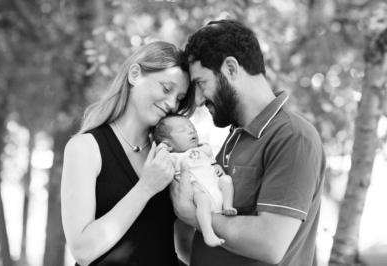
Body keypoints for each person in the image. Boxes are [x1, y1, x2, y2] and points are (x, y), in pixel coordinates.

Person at [170, 19, 326, 266]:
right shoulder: (236, 137)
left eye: (201, 83)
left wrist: (196, 216)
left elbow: (269, 243)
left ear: (231, 68)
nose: (198, 101)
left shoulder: (293, 136)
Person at [61, 41, 196, 266]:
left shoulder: (171, 153)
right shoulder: (85, 148)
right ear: (135, 74)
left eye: (180, 98)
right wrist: (146, 188)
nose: (172, 103)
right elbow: (83, 251)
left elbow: (184, 242)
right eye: (166, 88)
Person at [153, 114, 237, 247]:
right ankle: (207, 232)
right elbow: (159, 156)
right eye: (182, 130)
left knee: (226, 180)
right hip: (196, 192)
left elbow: (211, 162)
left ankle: (227, 206)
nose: (191, 131)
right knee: (203, 199)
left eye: (192, 128)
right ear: (168, 143)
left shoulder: (203, 149)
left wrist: (216, 166)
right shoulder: (173, 157)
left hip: (214, 186)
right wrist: (163, 147)